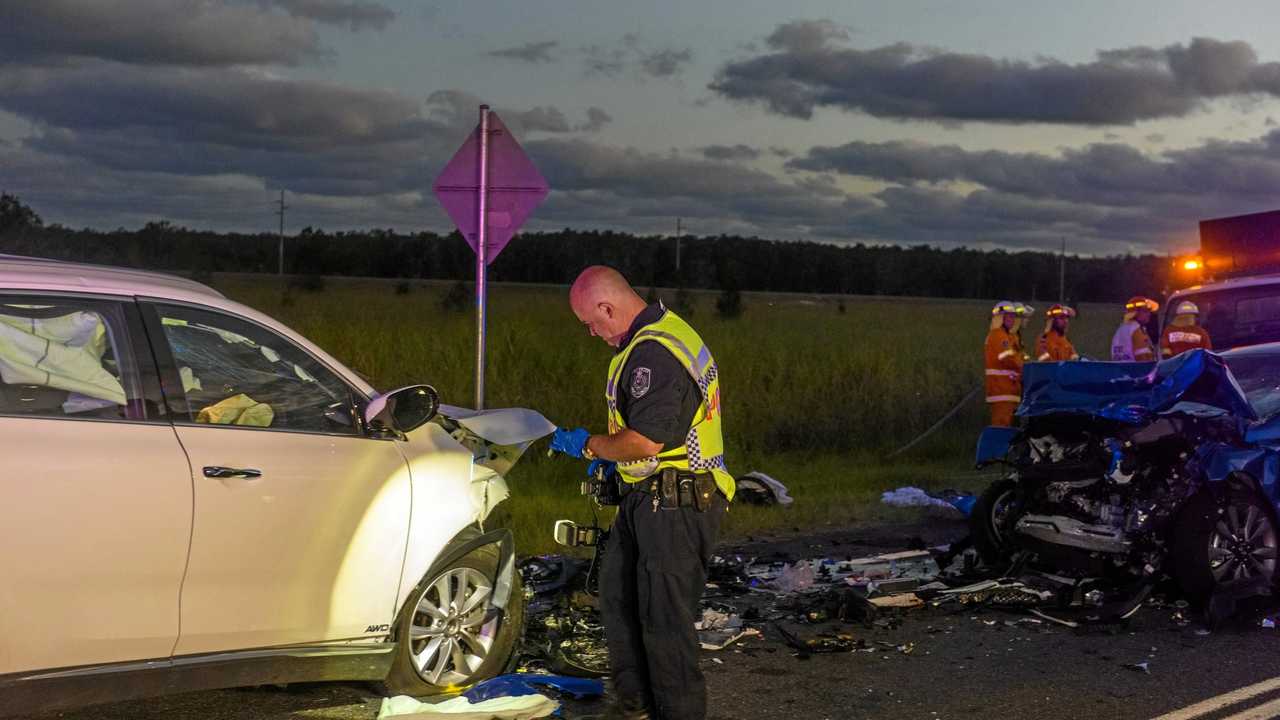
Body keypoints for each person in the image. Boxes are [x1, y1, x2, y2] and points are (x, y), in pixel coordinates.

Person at [549, 266, 734, 720]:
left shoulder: (656, 353)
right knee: (619, 600)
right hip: (647, 498)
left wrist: (591, 445)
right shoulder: (649, 340)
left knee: (664, 624)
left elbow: (645, 440)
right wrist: (612, 461)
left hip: (677, 503)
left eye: (591, 324)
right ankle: (636, 706)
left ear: (607, 308)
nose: (592, 334)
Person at [984, 301, 1031, 427]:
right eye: (1009, 316)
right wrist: (1027, 368)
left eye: (1013, 316)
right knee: (1001, 429)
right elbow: (1008, 358)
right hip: (1001, 391)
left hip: (1010, 390)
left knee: (1009, 431)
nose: (1012, 319)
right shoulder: (997, 335)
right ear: (1000, 318)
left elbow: (1016, 357)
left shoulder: (1006, 336)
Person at [1111, 296, 1159, 361]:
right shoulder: (1136, 330)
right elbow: (1143, 359)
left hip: (1121, 370)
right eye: (1145, 311)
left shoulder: (1121, 329)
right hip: (1139, 370)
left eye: (1149, 311)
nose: (1149, 314)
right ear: (1135, 313)